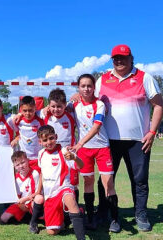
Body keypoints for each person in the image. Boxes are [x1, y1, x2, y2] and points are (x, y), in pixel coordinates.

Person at [94, 45, 163, 231]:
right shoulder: (103, 79)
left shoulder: (144, 77)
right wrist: (76, 96)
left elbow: (158, 105)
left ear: (131, 58)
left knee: (139, 180)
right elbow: (90, 99)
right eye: (115, 58)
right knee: (106, 180)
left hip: (138, 140)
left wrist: (152, 131)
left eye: (123, 57)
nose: (119, 61)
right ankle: (103, 212)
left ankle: (140, 213)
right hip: (109, 140)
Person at [71, 74, 119, 232]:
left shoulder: (99, 104)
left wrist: (80, 142)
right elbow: (56, 109)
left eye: (89, 86)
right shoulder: (74, 105)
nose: (86, 89)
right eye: (83, 86)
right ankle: (90, 218)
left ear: (94, 87)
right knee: (88, 183)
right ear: (78, 88)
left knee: (108, 184)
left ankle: (114, 220)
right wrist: (44, 108)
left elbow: (96, 126)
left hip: (101, 148)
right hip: (84, 151)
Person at [36, 125, 85, 239]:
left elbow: (81, 166)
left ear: (56, 137)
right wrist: (38, 191)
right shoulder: (41, 154)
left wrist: (74, 158)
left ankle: (81, 237)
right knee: (52, 232)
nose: (49, 142)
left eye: (51, 138)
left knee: (70, 199)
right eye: (45, 140)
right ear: (40, 142)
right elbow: (42, 173)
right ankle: (73, 215)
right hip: (50, 195)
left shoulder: (64, 151)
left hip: (63, 188)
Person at [0, 151, 44, 234]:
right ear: (14, 167)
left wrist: (26, 199)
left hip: (32, 201)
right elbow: (16, 197)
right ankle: (28, 217)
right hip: (21, 204)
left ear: (28, 160)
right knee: (4, 218)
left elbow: (38, 192)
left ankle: (33, 222)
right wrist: (21, 204)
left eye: (23, 162)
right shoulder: (15, 179)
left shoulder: (35, 174)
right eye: (17, 165)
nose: (21, 166)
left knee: (39, 199)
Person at [11, 96, 44, 168]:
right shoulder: (17, 120)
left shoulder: (40, 119)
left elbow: (49, 109)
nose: (28, 113)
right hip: (24, 158)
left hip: (38, 157)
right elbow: (17, 134)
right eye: (25, 111)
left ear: (35, 108)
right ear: (21, 110)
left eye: (30, 110)